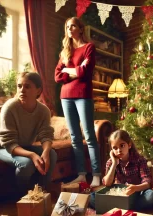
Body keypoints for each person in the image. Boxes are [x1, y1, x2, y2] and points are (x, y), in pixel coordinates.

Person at [0, 72, 57, 193]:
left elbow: (46, 134)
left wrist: (45, 152)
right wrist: (32, 155)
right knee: (26, 164)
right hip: (1, 147)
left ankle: (43, 192)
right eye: (19, 86)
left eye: (27, 86)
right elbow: (10, 144)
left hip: (23, 146)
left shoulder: (44, 111)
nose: (22, 90)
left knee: (51, 154)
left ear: (38, 90)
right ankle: (21, 197)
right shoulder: (9, 107)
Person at [54, 17, 101, 187]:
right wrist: (73, 70)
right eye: (67, 26)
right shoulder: (65, 52)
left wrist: (68, 69)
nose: (69, 28)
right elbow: (57, 76)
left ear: (81, 29)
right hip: (65, 97)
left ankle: (96, 174)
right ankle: (81, 174)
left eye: (73, 25)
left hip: (83, 95)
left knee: (89, 135)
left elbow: (86, 71)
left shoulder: (89, 47)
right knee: (74, 137)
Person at [89, 130, 153, 210]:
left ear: (129, 145)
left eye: (122, 146)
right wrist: (114, 164)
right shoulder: (111, 162)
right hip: (119, 194)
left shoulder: (139, 160)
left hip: (137, 192)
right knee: (91, 197)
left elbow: (148, 182)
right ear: (111, 150)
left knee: (152, 197)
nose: (119, 150)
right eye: (115, 148)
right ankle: (125, 206)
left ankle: (119, 207)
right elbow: (107, 183)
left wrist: (135, 188)